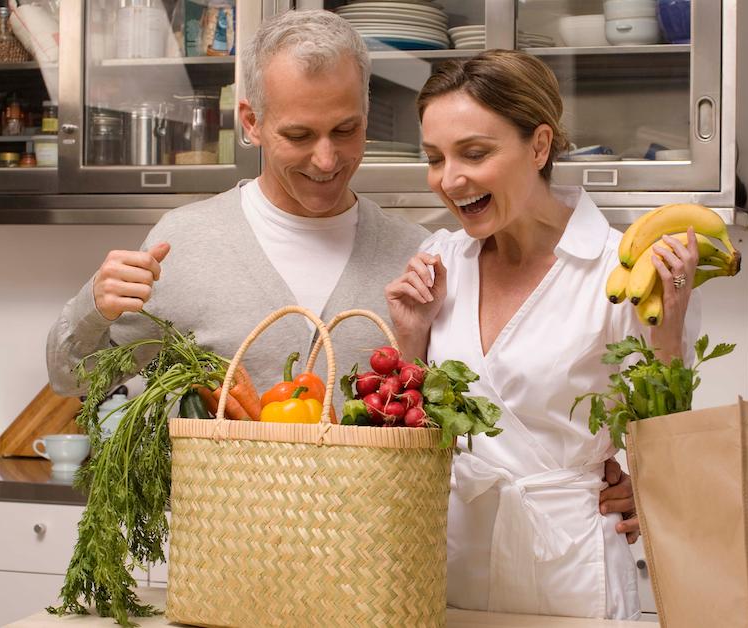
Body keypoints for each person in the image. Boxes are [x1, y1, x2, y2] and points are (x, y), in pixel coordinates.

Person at [385, 50, 702, 620]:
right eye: (435, 158)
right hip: (449, 565)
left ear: (539, 146)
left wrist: (669, 336)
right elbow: (410, 442)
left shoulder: (622, 273)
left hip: (571, 573)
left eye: (474, 153)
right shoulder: (439, 261)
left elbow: (671, 453)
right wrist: (409, 340)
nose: (449, 179)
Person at [46, 10, 428, 400]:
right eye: (299, 135)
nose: (326, 160)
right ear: (251, 122)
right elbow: (72, 381)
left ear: (366, 115)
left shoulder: (417, 254)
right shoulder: (184, 244)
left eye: (345, 130)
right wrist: (93, 307)